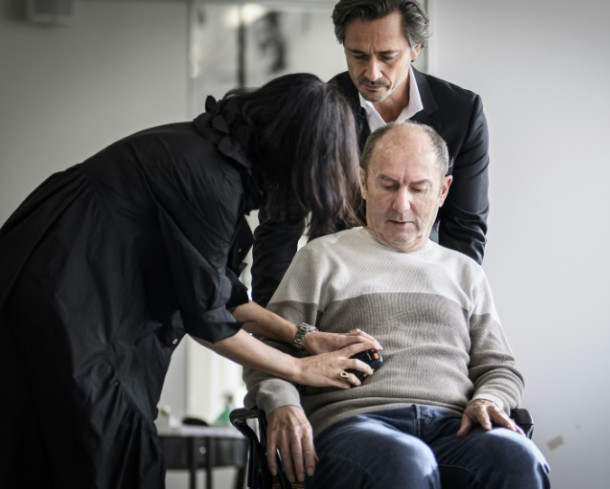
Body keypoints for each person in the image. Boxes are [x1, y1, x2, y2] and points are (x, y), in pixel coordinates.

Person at [0, 73, 382, 489]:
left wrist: (302, 337)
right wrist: (301, 369)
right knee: (100, 454)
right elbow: (208, 322)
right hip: (62, 298)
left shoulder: (215, 158)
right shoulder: (210, 178)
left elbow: (222, 294)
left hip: (69, 294)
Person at [244, 122, 550, 488]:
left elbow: (500, 368)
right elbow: (266, 352)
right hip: (354, 428)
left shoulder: (465, 273)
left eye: (418, 188)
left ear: (443, 190)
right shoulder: (320, 259)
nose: (401, 204)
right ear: (362, 183)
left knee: (518, 459)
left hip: (456, 429)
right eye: (387, 185)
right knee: (406, 461)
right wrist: (282, 404)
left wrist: (489, 399)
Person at [251, 0, 490, 306]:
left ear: (415, 49)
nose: (372, 73)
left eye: (387, 56)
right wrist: (274, 327)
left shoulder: (462, 113)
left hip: (423, 287)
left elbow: (465, 229)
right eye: (358, 55)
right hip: (335, 291)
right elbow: (279, 226)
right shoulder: (317, 112)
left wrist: (450, 308)